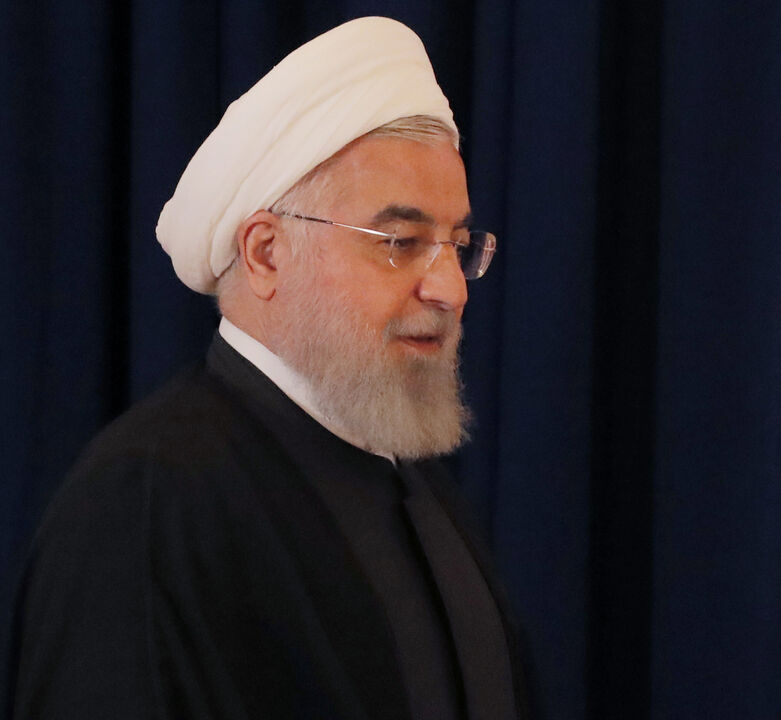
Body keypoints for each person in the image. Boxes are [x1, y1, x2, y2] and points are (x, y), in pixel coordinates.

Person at [6, 17, 525, 720]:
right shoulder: (144, 505)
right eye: (401, 241)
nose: (451, 288)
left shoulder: (411, 480)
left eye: (458, 243)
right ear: (267, 254)